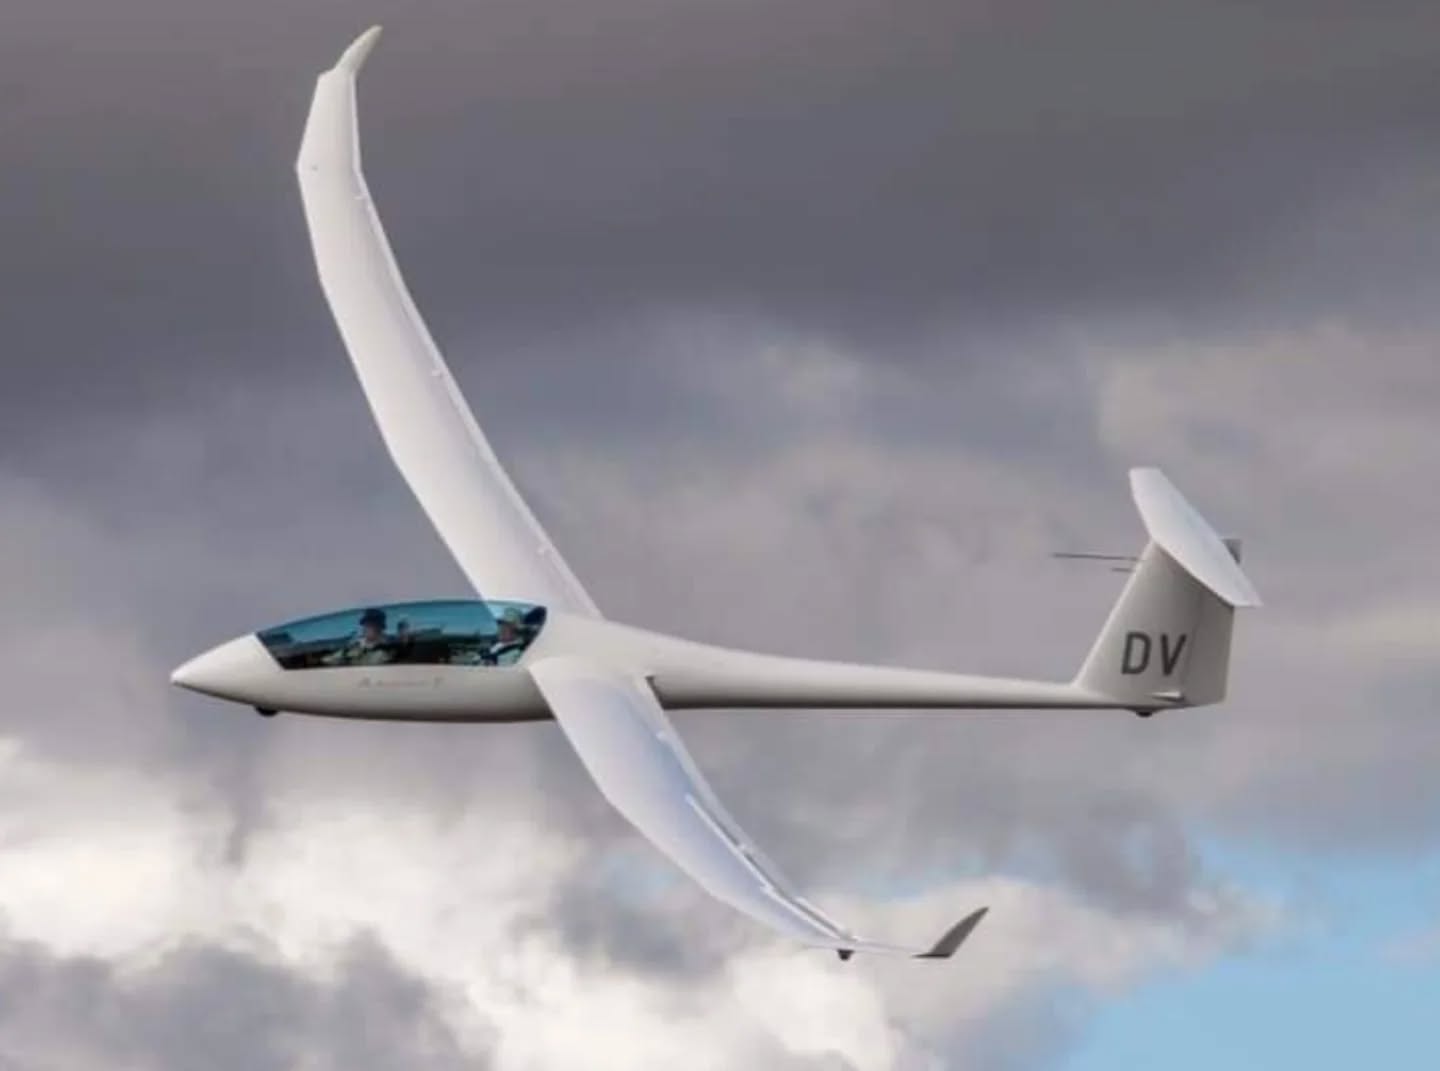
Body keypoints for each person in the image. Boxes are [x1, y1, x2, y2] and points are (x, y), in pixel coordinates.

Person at [323, 607, 393, 666]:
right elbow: (332, 659)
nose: (365, 628)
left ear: (379, 627)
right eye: (365, 625)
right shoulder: (355, 645)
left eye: (370, 625)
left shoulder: (388, 649)